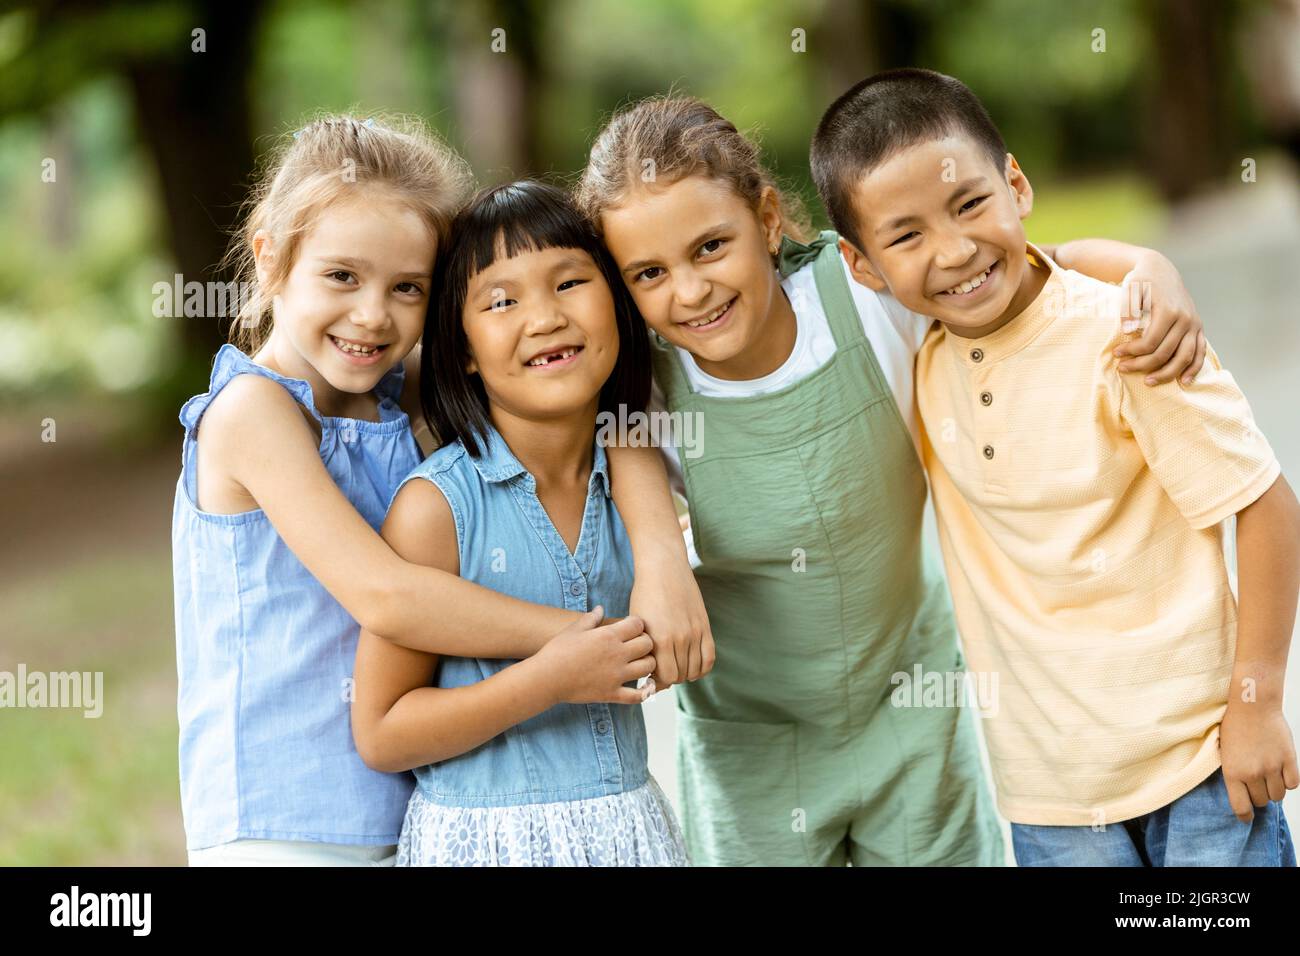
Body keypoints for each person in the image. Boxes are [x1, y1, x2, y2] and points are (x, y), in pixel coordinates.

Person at [575, 94, 1207, 865]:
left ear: (768, 220)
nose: (690, 291)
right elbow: (610, 436)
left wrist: (1149, 266)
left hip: (911, 713)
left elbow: (1035, 269)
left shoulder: (867, 303)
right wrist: (660, 553)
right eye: (648, 273)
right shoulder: (646, 386)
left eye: (712, 247)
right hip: (752, 746)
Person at [173, 116, 708, 866]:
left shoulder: (391, 391)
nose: (372, 315)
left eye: (407, 289)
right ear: (269, 257)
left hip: (407, 804)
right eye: (341, 276)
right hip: (281, 817)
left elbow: (582, 399)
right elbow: (388, 597)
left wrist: (658, 551)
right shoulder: (254, 412)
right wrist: (570, 644)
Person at [812, 67, 1299, 866]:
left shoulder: (1130, 336)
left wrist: (1257, 704)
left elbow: (1266, 506)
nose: (955, 248)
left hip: (1204, 764)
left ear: (1017, 185)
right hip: (1053, 802)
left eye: (970, 204)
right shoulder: (915, 359)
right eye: (906, 235)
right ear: (864, 267)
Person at [351, 181, 688, 866]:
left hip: (629, 833)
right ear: (464, 348)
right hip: (486, 844)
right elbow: (383, 731)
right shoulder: (438, 509)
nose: (545, 318)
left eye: (569, 283)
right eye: (501, 301)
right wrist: (544, 680)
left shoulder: (635, 476)